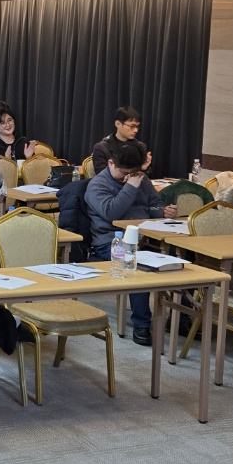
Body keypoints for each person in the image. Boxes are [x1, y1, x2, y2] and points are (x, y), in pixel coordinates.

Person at [84, 140, 177, 345]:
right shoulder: (98, 185)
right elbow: (111, 212)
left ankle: (183, 319)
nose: (127, 177)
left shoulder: (141, 178)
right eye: (123, 173)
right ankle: (142, 324)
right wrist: (130, 187)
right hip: (111, 241)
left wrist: (163, 212)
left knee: (183, 257)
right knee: (135, 265)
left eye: (132, 173)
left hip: (147, 238)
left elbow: (154, 204)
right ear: (110, 163)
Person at [91, 106, 145, 174]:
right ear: (118, 124)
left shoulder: (140, 146)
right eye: (132, 126)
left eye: (137, 126)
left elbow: (148, 174)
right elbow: (102, 175)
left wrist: (145, 168)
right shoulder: (102, 148)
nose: (136, 130)